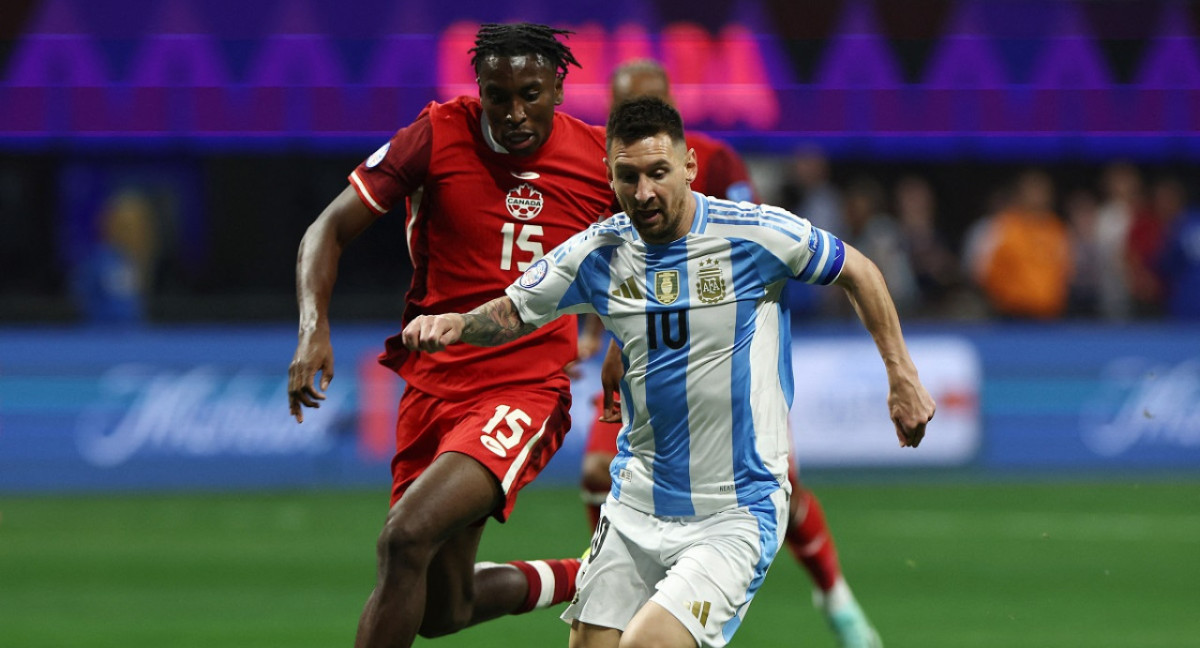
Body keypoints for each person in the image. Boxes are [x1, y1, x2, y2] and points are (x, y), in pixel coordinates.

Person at [401, 97, 935, 648]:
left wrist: (902, 376)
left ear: (688, 167)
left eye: (658, 172)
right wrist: (459, 324)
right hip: (637, 502)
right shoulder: (598, 252)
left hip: (736, 509)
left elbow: (860, 270)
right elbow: (514, 311)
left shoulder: (752, 234)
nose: (644, 192)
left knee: (647, 645)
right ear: (611, 177)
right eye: (628, 177)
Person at [287, 23, 618, 648]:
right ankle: (593, 573)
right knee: (441, 607)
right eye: (498, 96)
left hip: (525, 390)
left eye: (530, 94)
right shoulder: (436, 135)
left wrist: (621, 346)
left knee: (403, 535)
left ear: (559, 88)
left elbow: (657, 262)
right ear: (480, 91)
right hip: (431, 390)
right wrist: (312, 328)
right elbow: (327, 229)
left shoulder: (602, 162)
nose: (514, 112)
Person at [573, 58, 889, 648]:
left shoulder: (715, 159)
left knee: (778, 485)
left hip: (730, 353)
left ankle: (836, 597)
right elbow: (613, 265)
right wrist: (604, 336)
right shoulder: (612, 162)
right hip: (647, 358)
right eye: (619, 109)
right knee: (595, 470)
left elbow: (759, 253)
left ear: (671, 108)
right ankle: (627, 581)